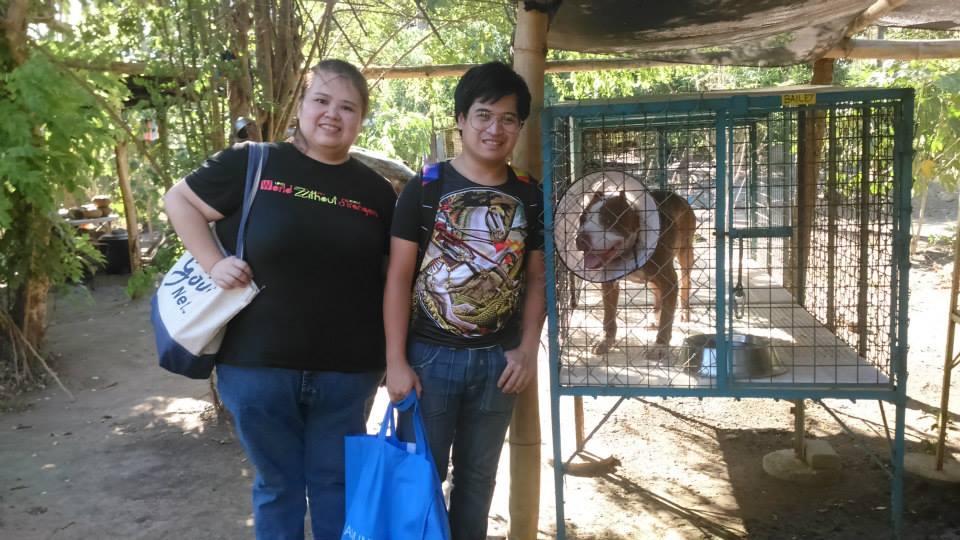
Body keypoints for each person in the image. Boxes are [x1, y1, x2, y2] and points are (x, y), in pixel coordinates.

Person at [162, 59, 396, 540]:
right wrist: (212, 262)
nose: (333, 114)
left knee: (337, 486)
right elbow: (178, 200)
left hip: (347, 374)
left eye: (348, 106)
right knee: (278, 487)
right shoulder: (253, 162)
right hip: (257, 368)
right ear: (301, 106)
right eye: (322, 101)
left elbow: (392, 275)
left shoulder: (377, 192)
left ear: (361, 117)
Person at [383, 61, 546, 540]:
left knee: (478, 482)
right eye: (483, 114)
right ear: (461, 119)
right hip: (430, 359)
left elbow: (536, 279)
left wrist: (527, 347)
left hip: (499, 363)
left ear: (519, 126)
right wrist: (396, 360)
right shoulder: (426, 187)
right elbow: (397, 278)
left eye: (508, 118)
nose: (495, 128)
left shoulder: (529, 195)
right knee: (421, 482)